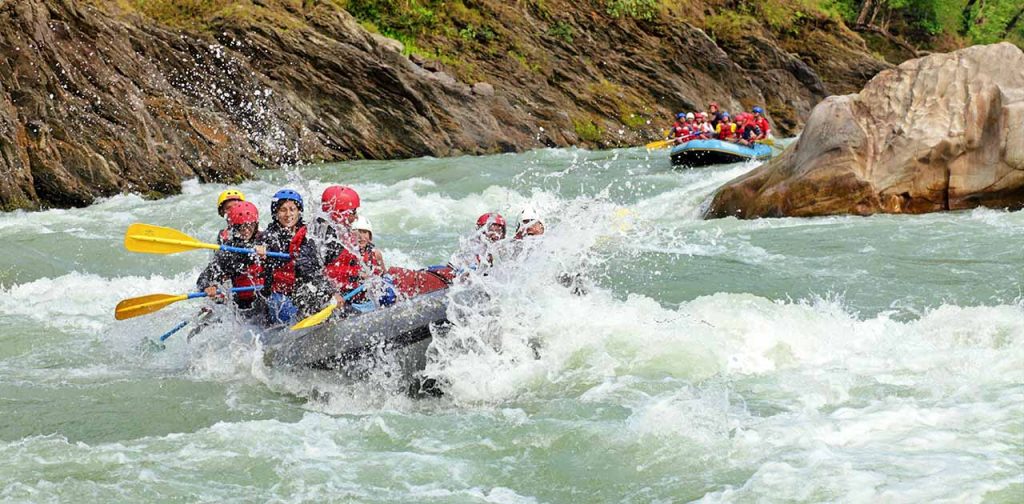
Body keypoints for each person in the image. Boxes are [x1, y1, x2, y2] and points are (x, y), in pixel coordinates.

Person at [255, 189, 330, 325]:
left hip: (304, 289)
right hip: (279, 293)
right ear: (276, 213)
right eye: (283, 210)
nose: (288, 214)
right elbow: (261, 243)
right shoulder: (269, 236)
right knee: (283, 310)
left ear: (299, 211)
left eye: (292, 209)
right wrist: (260, 249)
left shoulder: (309, 233)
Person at [196, 200, 264, 319]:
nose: (246, 230)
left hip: (266, 297)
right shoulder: (228, 252)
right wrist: (208, 286)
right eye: (241, 227)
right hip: (243, 304)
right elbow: (203, 278)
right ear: (234, 227)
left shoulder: (266, 240)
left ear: (256, 225)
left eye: (250, 225)